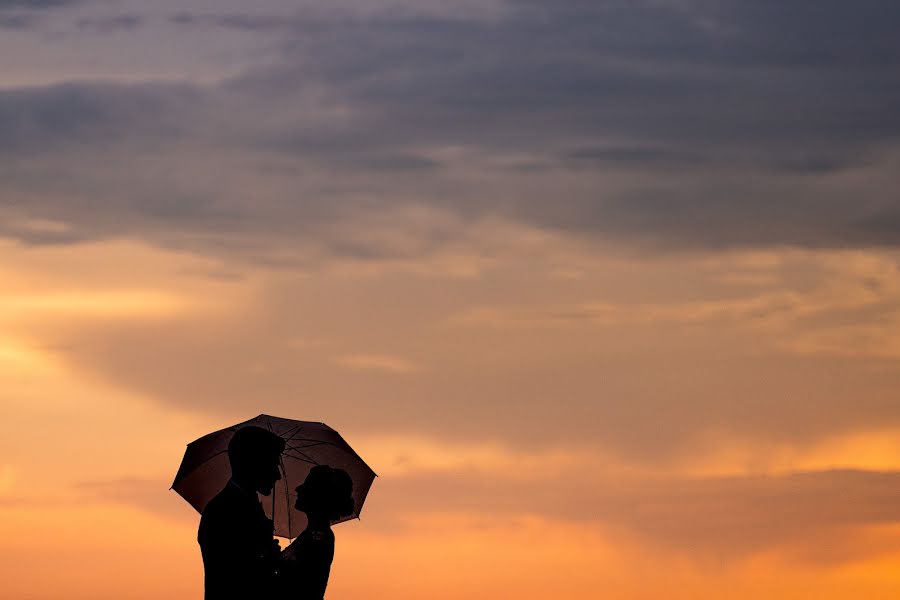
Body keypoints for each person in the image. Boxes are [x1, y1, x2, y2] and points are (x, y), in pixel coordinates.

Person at [198, 426, 286, 600]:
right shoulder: (222, 510)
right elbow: (232, 576)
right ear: (253, 463)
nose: (277, 475)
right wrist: (267, 559)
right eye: (273, 464)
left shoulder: (243, 504)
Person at [280, 465, 355, 600]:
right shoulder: (312, 534)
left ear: (319, 497)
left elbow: (297, 586)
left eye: (307, 486)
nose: (299, 489)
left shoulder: (318, 539)